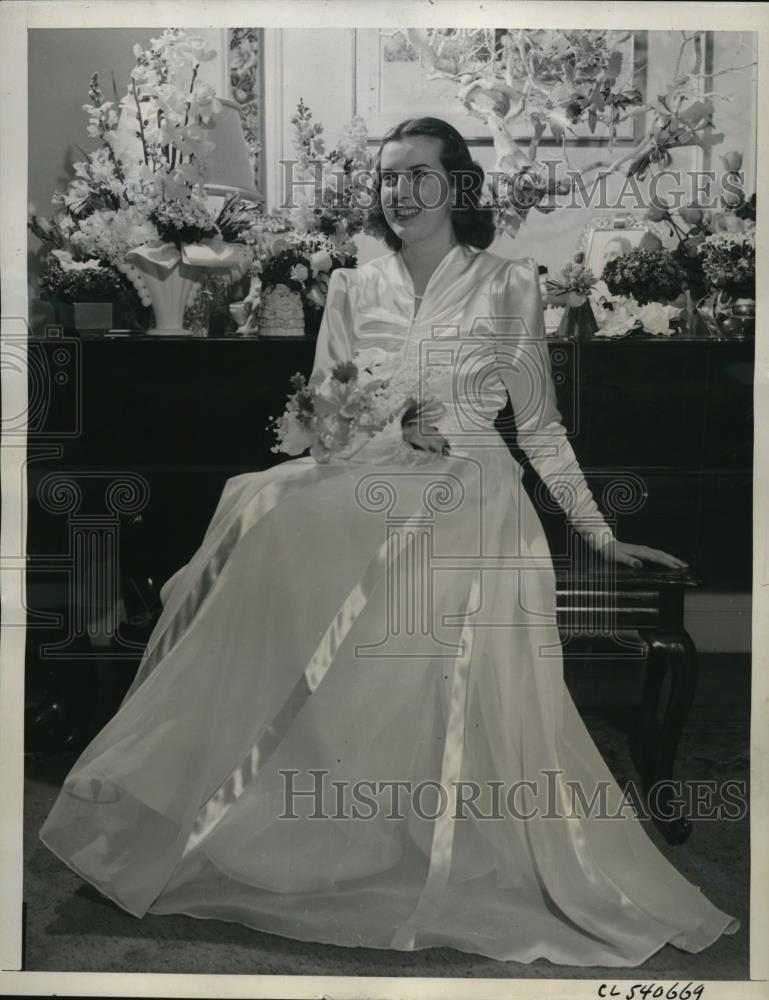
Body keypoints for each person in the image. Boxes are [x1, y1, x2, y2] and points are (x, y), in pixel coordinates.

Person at [39, 117, 740, 967]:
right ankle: (266, 786)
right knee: (260, 505)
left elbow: (542, 431)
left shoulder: (508, 283)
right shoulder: (350, 287)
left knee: (368, 539)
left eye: (416, 174)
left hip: (474, 487)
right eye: (385, 178)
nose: (398, 192)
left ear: (456, 186)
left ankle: (406, 816)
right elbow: (331, 423)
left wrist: (600, 533)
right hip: (372, 477)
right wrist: (362, 431)